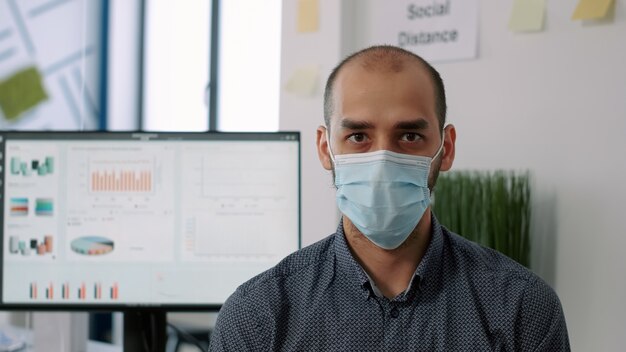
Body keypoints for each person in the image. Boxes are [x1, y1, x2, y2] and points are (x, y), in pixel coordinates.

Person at [208, 45, 570, 351]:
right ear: (325, 147)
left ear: (446, 149)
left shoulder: (522, 307)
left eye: (409, 136)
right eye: (358, 136)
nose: (382, 160)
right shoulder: (258, 316)